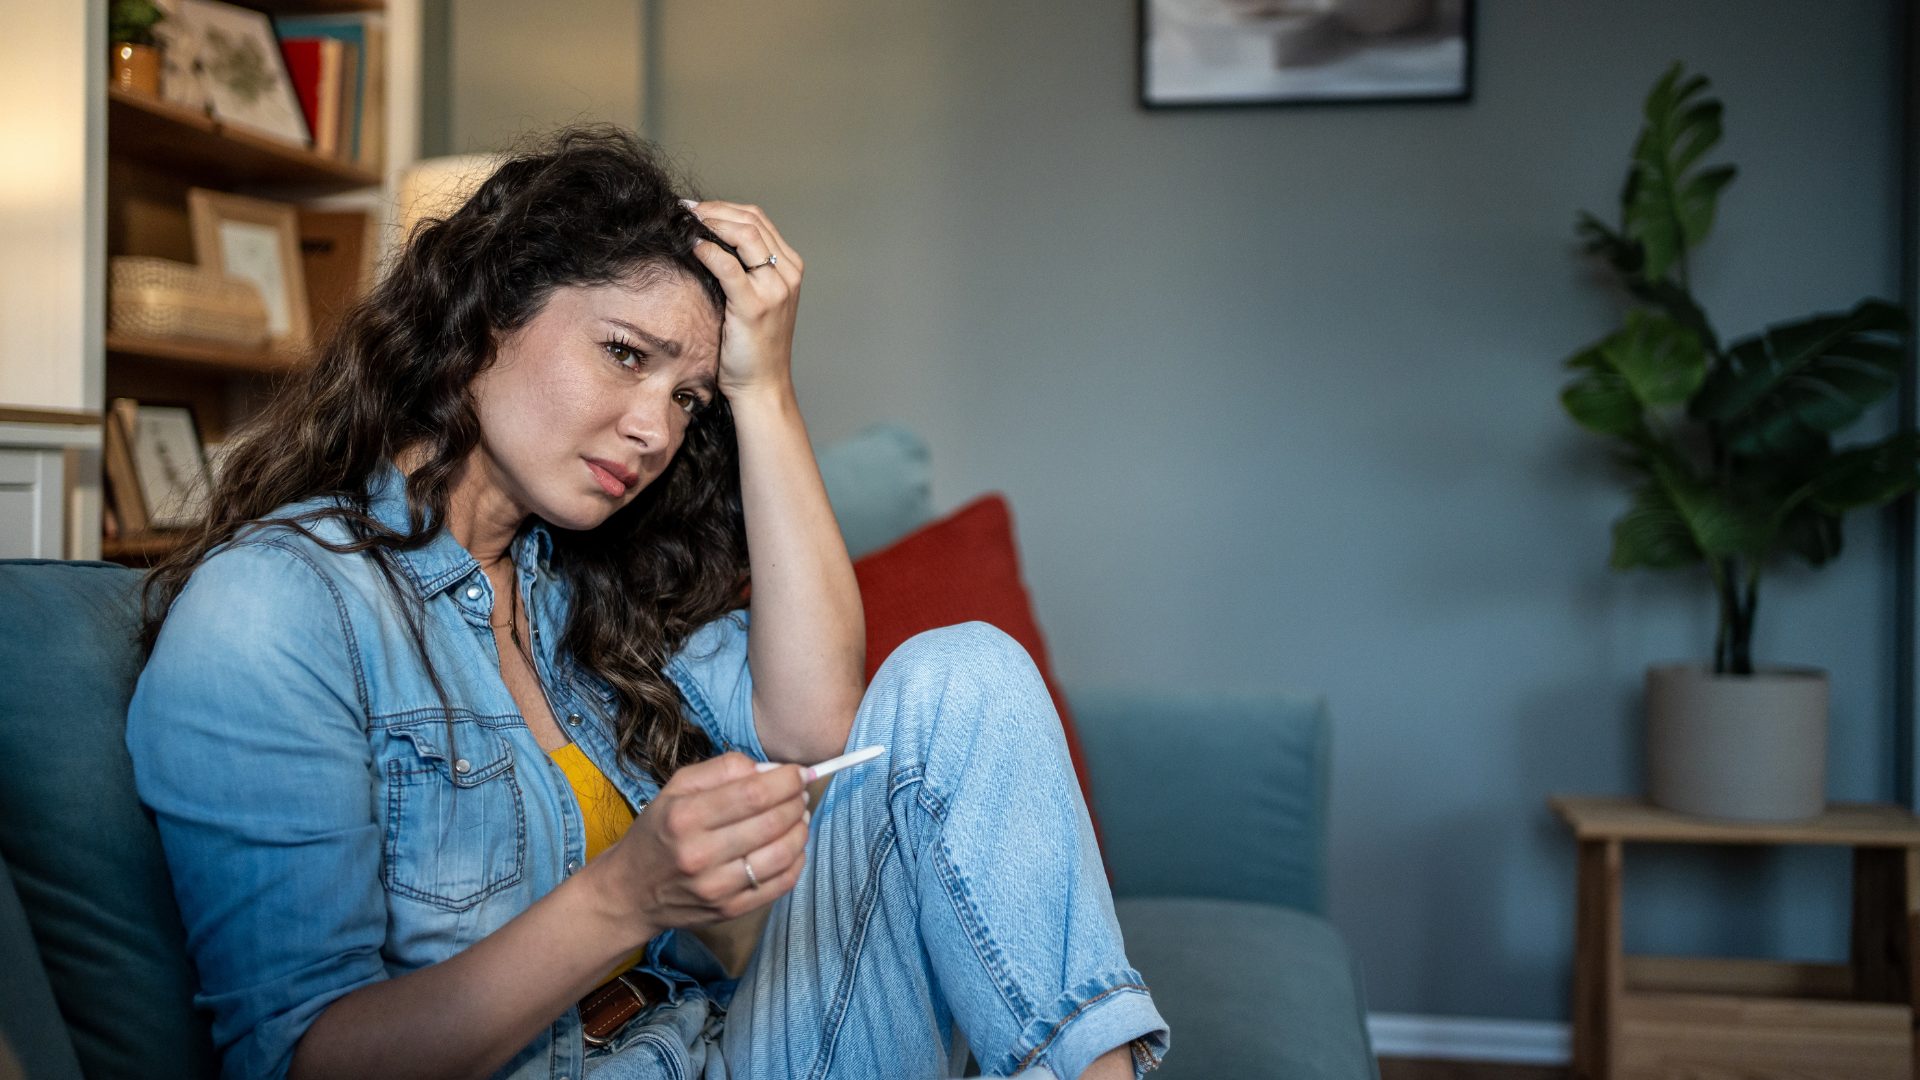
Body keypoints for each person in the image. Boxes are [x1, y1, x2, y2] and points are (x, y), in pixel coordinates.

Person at [126, 128, 1167, 1080]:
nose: (655, 432)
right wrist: (626, 895)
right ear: (484, 320)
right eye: (624, 355)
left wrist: (763, 387)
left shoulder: (579, 584)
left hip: (717, 1052)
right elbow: (303, 1061)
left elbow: (816, 727)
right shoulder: (275, 611)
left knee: (963, 677)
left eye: (687, 400)